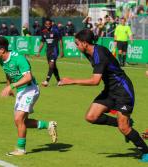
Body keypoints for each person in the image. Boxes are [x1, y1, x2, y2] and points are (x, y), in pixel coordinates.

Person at [59, 29, 148, 162]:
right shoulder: (89, 52)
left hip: (123, 90)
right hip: (110, 90)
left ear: (84, 43)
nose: (76, 46)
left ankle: (145, 152)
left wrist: (71, 80)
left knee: (123, 127)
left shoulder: (99, 55)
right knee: (91, 116)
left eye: (76, 43)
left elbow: (95, 81)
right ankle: (124, 122)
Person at [0, 36, 57, 156]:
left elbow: (28, 77)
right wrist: (8, 85)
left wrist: (11, 86)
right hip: (21, 91)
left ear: (2, 50)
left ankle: (21, 149)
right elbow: (8, 73)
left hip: (30, 89)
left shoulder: (19, 58)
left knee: (18, 119)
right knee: (21, 122)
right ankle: (48, 125)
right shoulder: (1, 60)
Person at [38, 18, 63, 87]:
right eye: (46, 24)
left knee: (51, 65)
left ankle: (46, 81)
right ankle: (59, 81)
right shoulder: (44, 32)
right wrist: (38, 52)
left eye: (49, 24)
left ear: (51, 24)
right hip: (48, 51)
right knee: (53, 67)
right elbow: (42, 42)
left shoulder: (55, 31)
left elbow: (60, 40)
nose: (47, 25)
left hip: (54, 50)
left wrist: (61, 50)